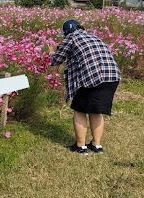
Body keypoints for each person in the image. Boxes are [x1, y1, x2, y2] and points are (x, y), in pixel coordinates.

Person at [48, 19, 120, 155]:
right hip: (112, 76)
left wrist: (52, 52)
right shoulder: (94, 36)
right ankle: (96, 145)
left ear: (66, 32)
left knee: (80, 110)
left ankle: (81, 146)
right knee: (96, 110)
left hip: (92, 77)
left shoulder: (71, 38)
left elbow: (56, 60)